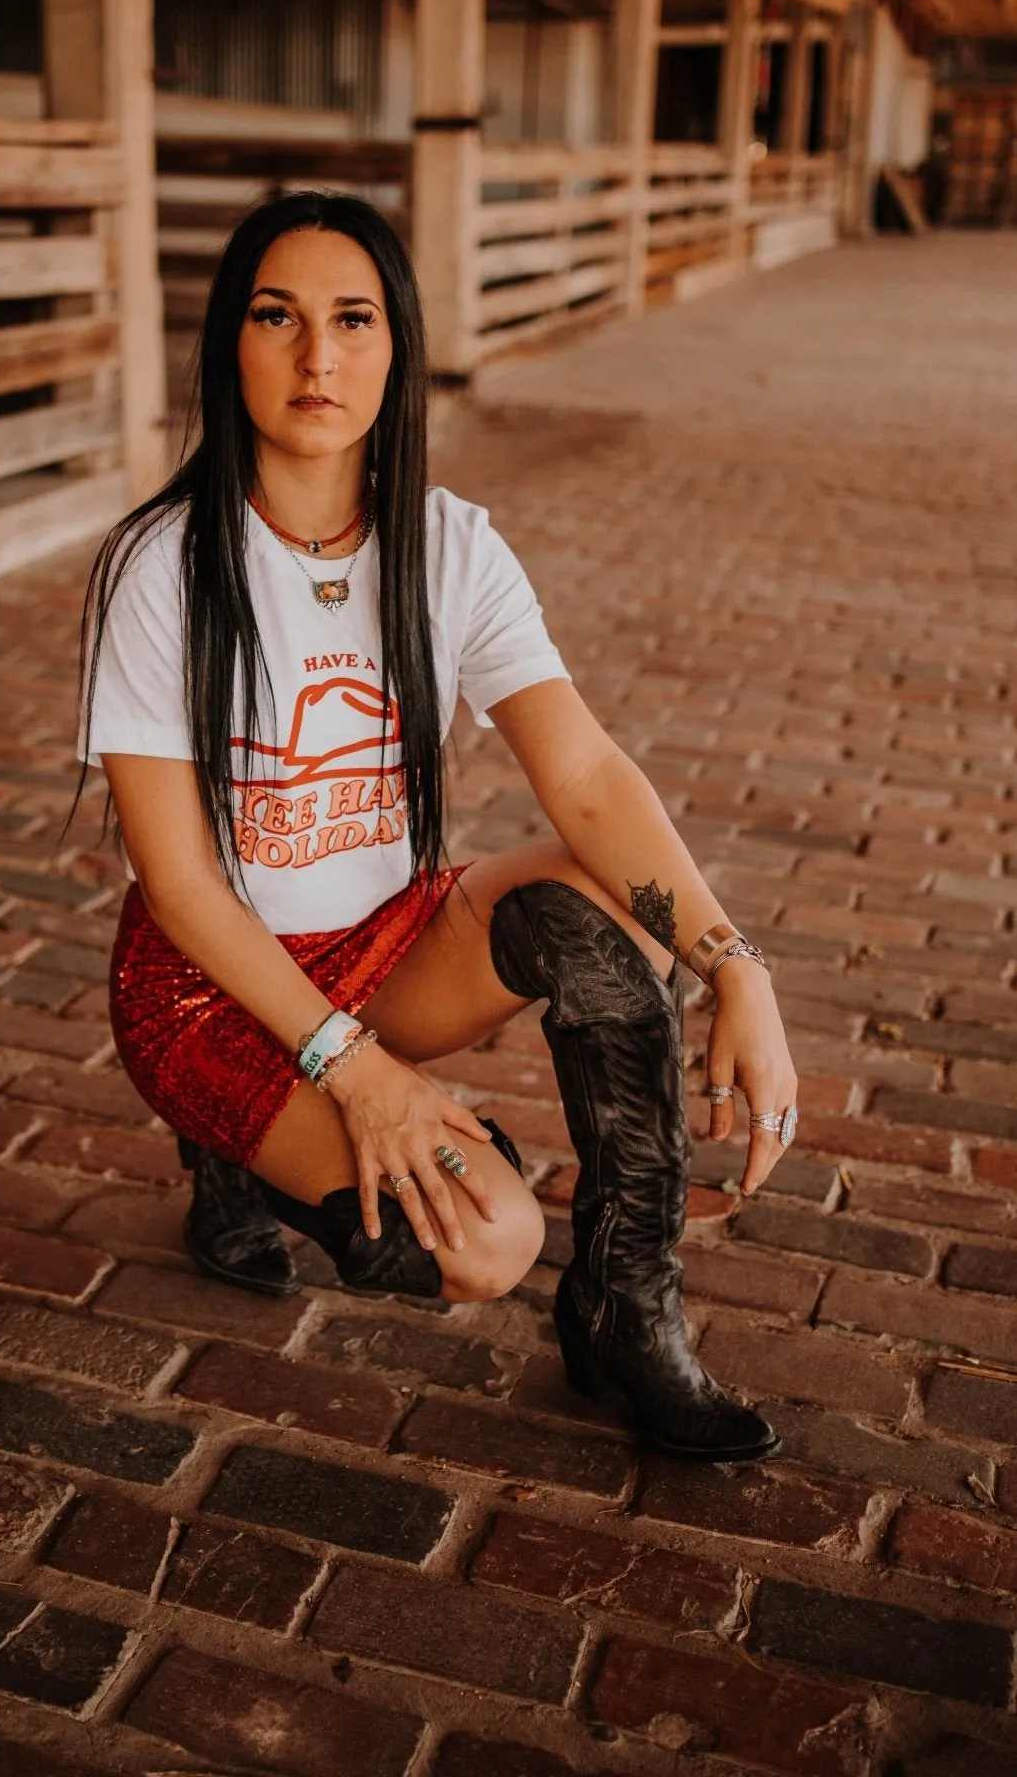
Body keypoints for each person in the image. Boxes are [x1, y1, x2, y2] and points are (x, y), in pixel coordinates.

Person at [79, 191, 798, 1462]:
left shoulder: (452, 546)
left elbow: (582, 770)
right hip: (208, 988)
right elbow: (182, 888)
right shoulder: (165, 564)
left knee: (602, 903)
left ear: (397, 344)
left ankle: (630, 1308)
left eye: (352, 319)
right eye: (276, 317)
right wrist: (359, 1077)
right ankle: (232, 1152)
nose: (317, 357)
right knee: (484, 1240)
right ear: (227, 342)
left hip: (388, 938)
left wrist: (733, 964)